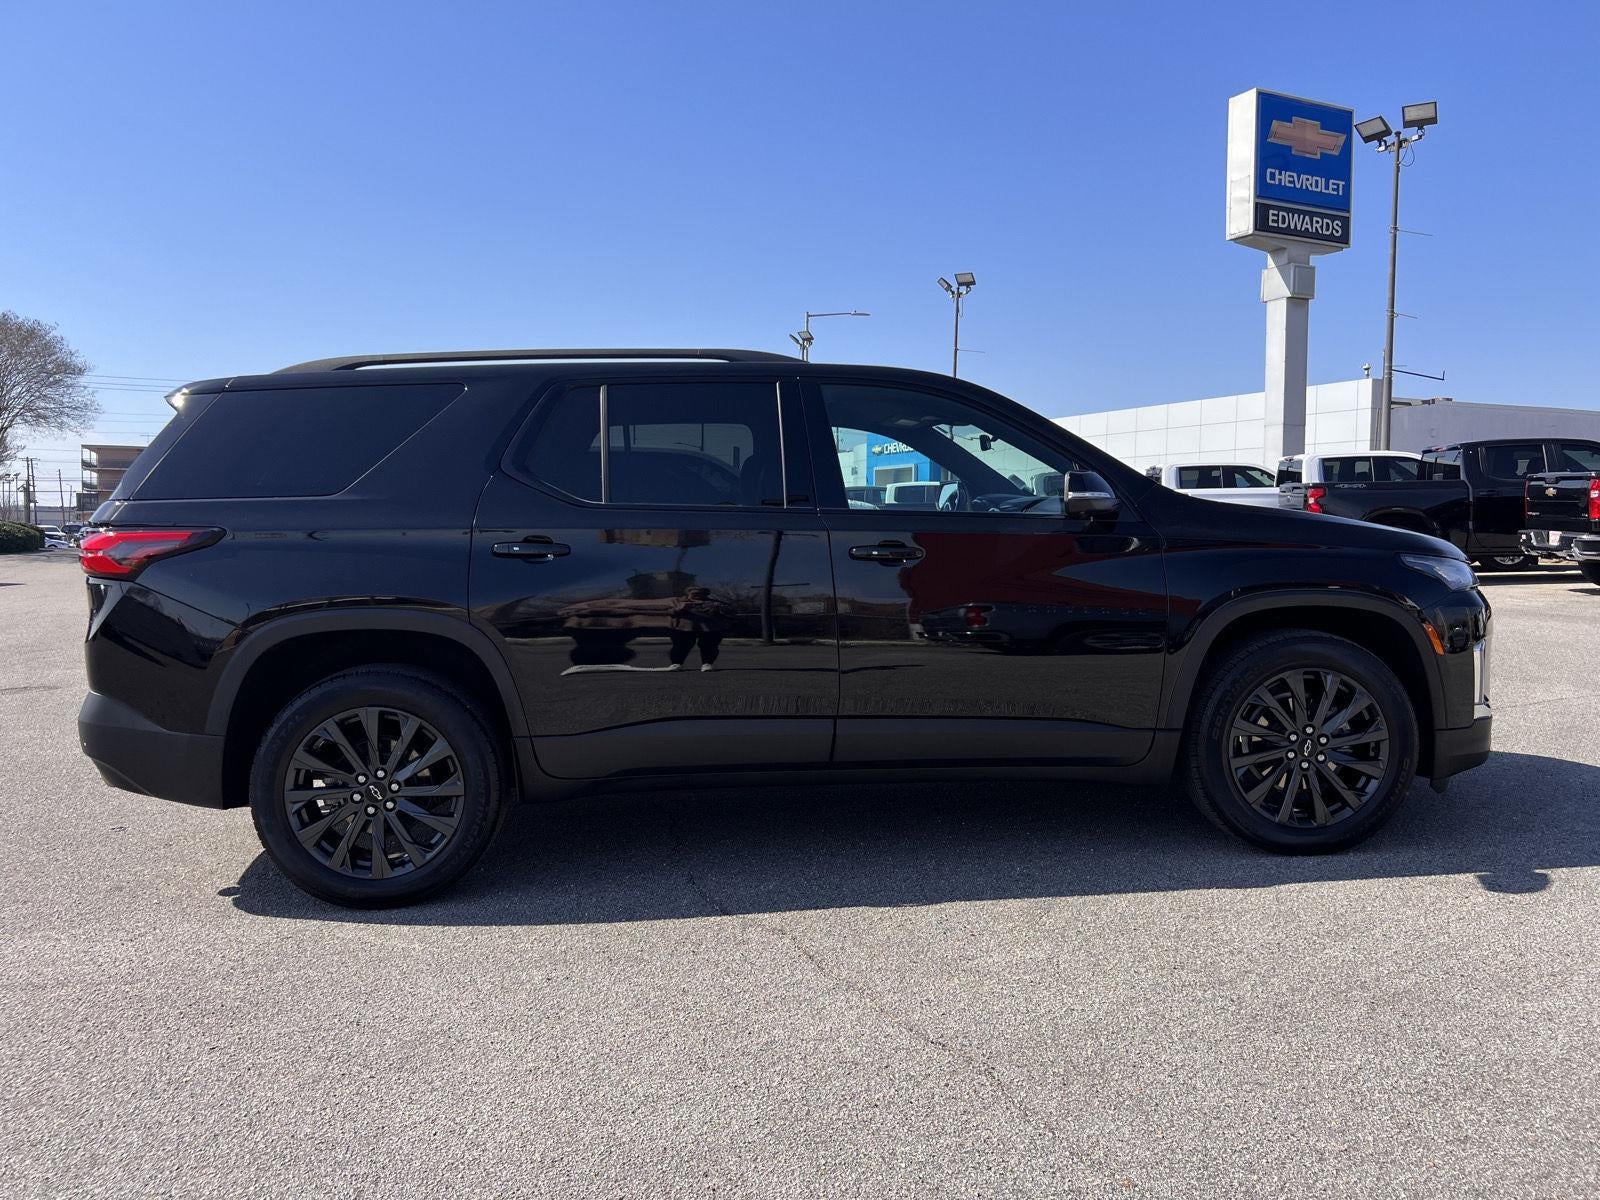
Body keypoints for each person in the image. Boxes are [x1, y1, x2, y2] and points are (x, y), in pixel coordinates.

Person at [667, 586, 731, 671]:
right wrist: (681, 608)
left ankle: (707, 663)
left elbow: (729, 612)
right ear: (689, 594)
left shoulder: (715, 603)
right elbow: (670, 612)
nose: (698, 596)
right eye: (695, 594)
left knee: (709, 645)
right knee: (680, 645)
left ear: (706, 595)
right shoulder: (679, 602)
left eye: (701, 594)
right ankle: (676, 663)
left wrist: (718, 610)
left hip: (709, 628)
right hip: (684, 627)